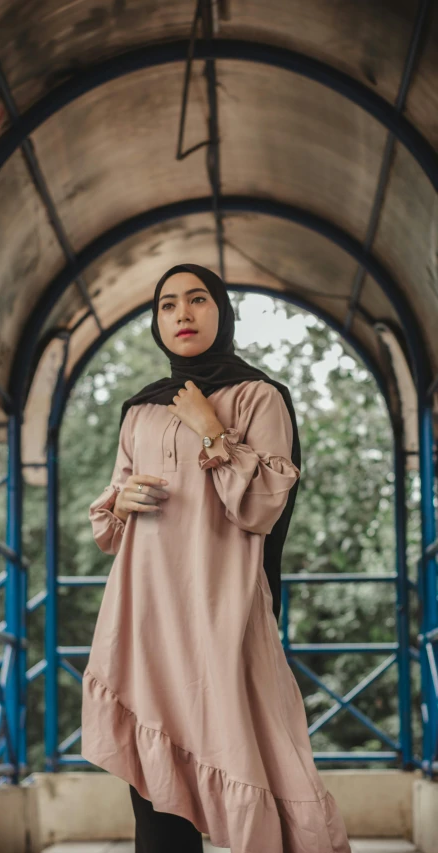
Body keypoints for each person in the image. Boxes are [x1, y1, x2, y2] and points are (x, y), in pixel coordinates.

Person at [81, 264, 351, 853]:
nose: (182, 314)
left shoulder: (260, 397)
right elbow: (110, 522)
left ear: (222, 313)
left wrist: (212, 432)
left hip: (220, 613)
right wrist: (121, 500)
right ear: (156, 321)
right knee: (155, 792)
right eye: (168, 304)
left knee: (250, 763)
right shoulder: (139, 411)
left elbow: (260, 509)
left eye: (198, 300)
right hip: (146, 615)